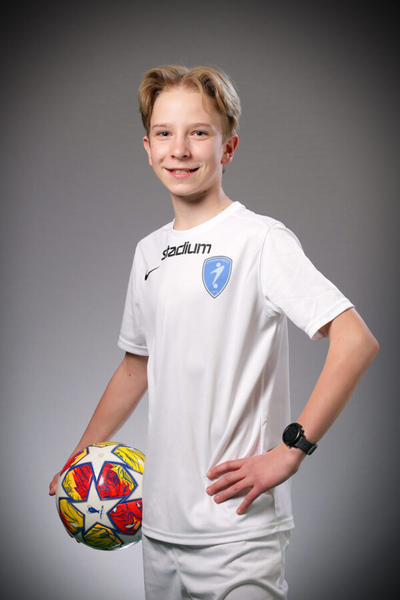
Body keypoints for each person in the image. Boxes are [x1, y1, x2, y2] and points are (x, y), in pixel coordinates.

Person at [49, 65, 379, 599]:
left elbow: (356, 340)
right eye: (164, 133)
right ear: (148, 148)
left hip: (238, 530)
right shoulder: (148, 253)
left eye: (199, 132)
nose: (180, 149)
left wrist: (291, 450)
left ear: (227, 148)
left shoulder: (259, 240)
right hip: (158, 529)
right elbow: (137, 366)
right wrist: (81, 455)